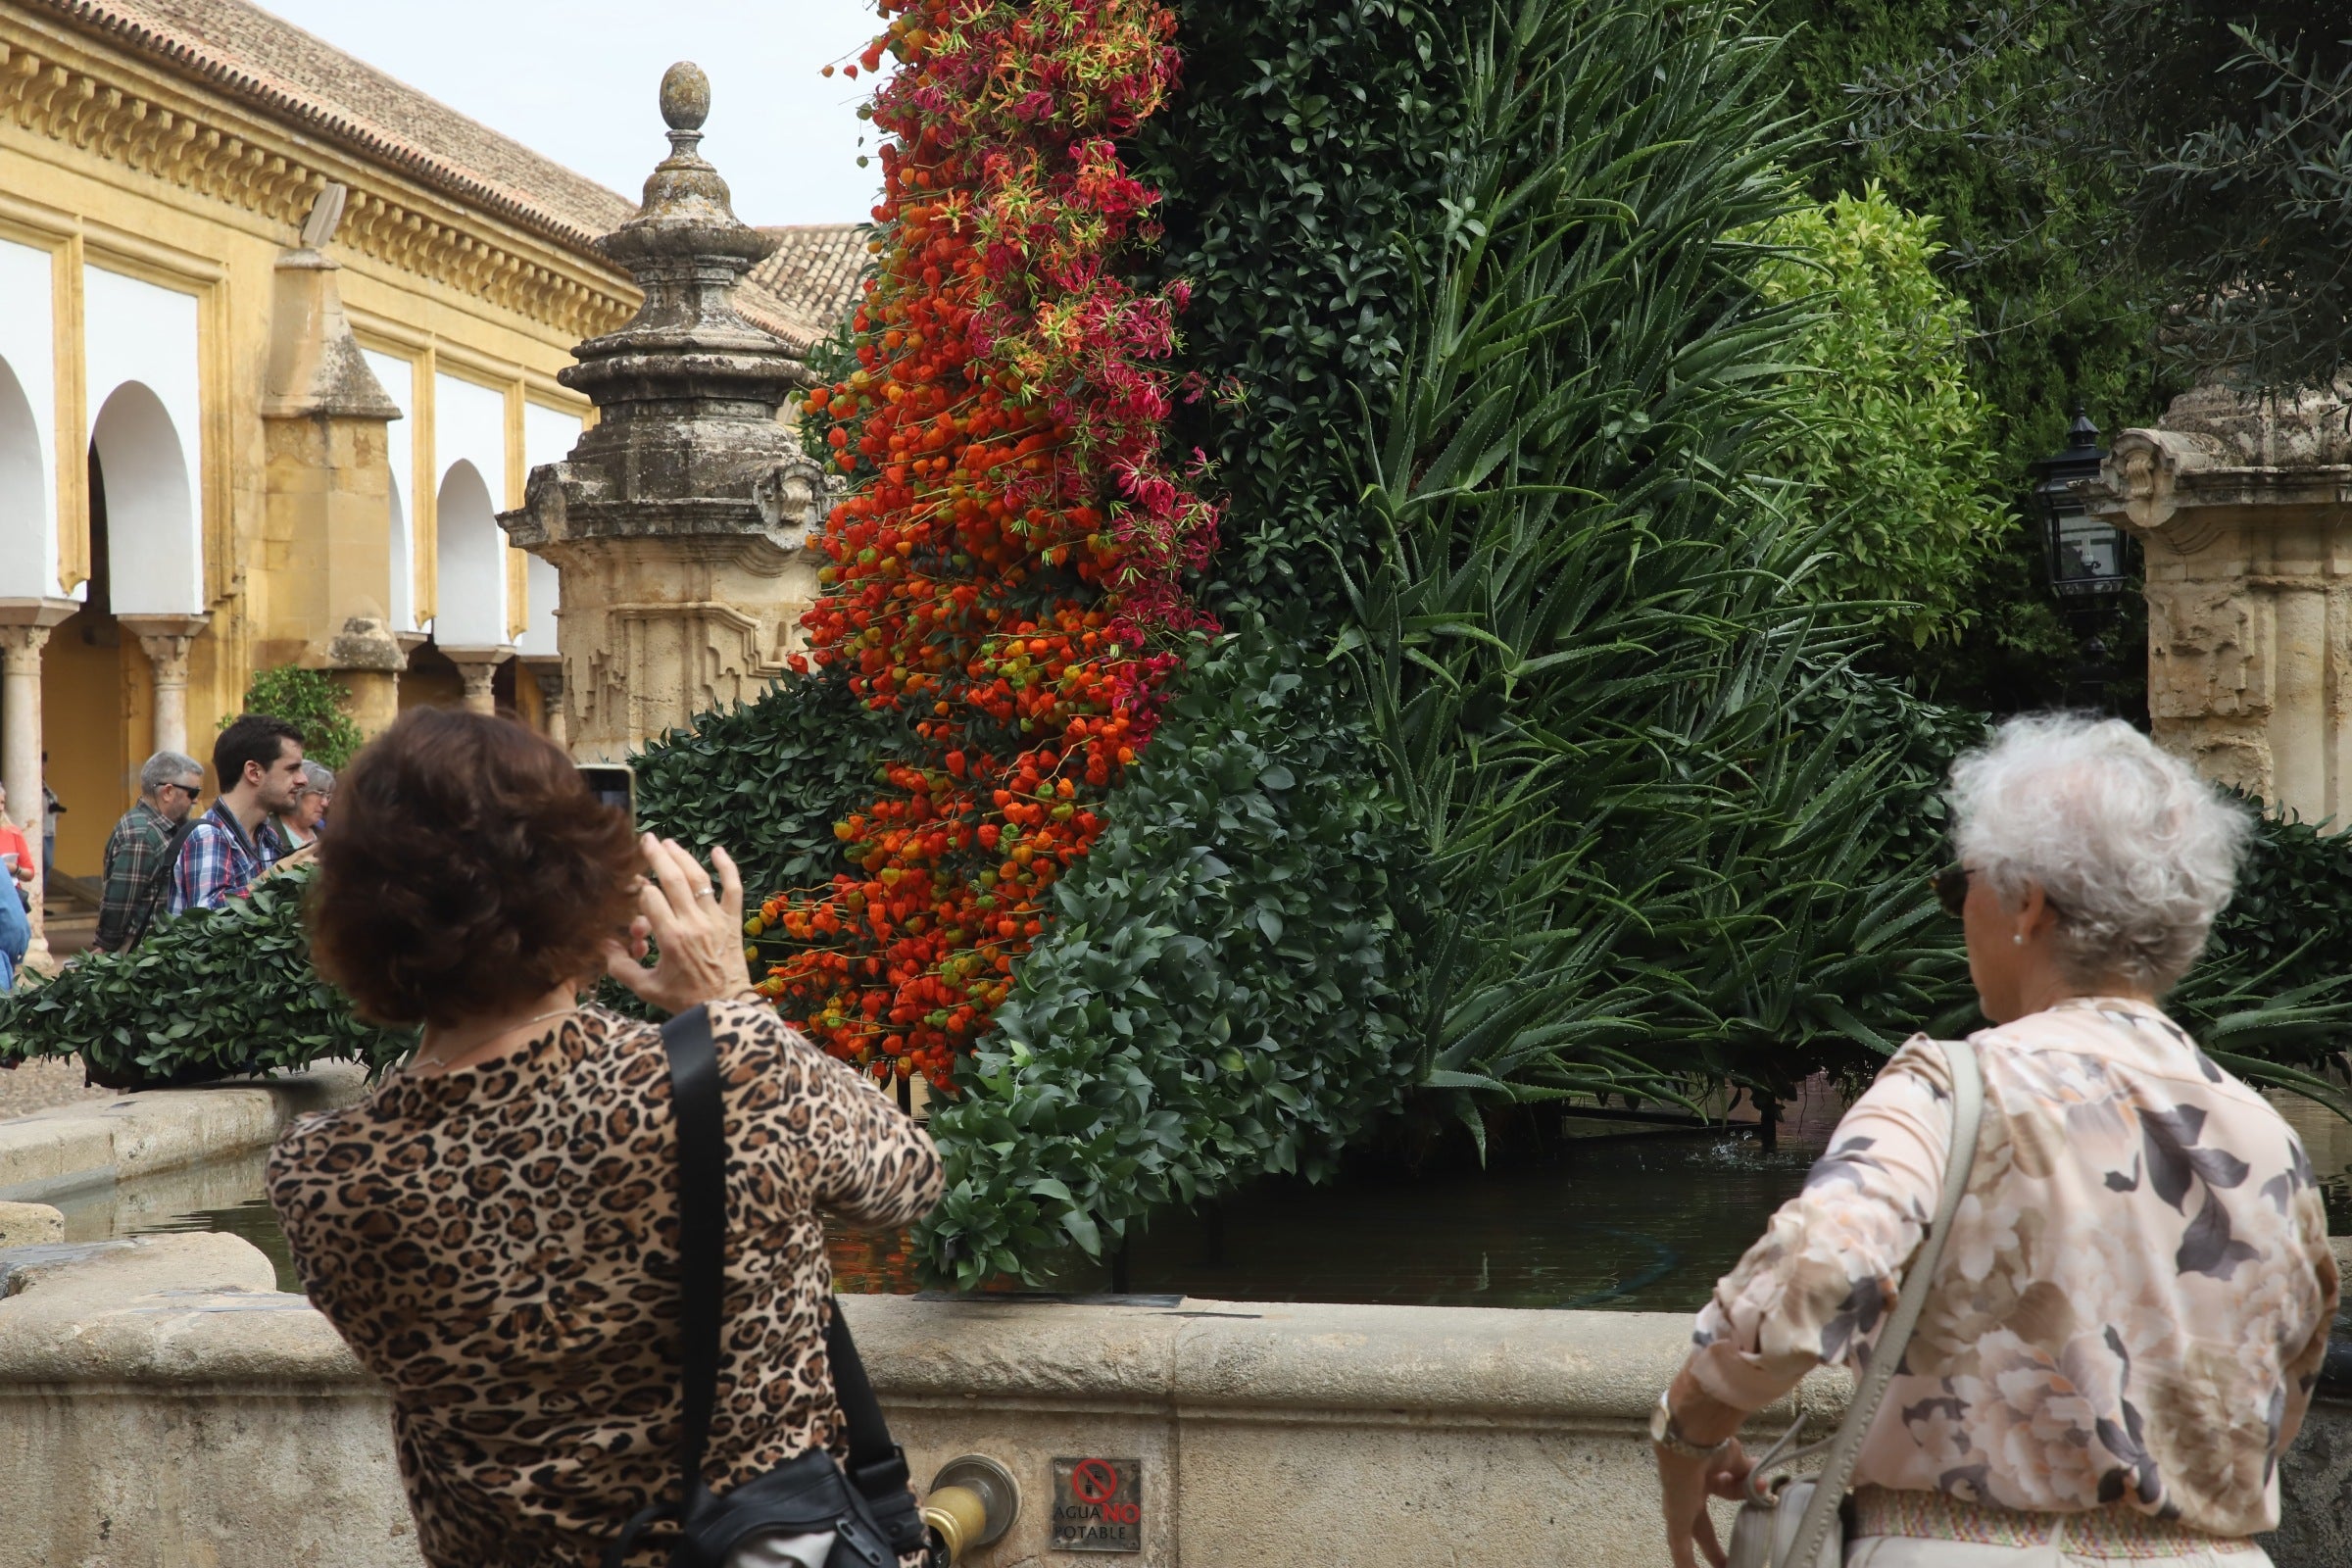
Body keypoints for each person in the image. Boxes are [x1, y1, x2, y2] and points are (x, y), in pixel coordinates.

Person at [1655, 713, 2339, 1568]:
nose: (1957, 910)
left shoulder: (1946, 1090)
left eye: (1961, 885)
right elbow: (2283, 1385)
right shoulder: (2267, 1138)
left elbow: (1819, 1268)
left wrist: (1689, 1431)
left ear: (2030, 906)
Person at [266, 709, 941, 1568]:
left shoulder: (321, 1172)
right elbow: (909, 1177)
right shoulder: (725, 1069)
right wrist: (729, 1002)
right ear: (583, 886)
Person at [168, 715, 305, 915]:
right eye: (292, 769)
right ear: (254, 772)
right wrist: (277, 874)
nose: (303, 779)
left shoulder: (268, 837)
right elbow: (206, 924)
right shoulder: (208, 836)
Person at [92, 750, 205, 954]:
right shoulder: (143, 833)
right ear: (168, 792)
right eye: (193, 793)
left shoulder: (159, 828)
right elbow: (119, 904)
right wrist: (106, 948)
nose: (196, 800)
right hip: (140, 954)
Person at [270, 761, 333, 852]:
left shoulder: (324, 835)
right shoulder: (268, 833)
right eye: (320, 793)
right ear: (298, 791)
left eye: (327, 796)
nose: (325, 803)